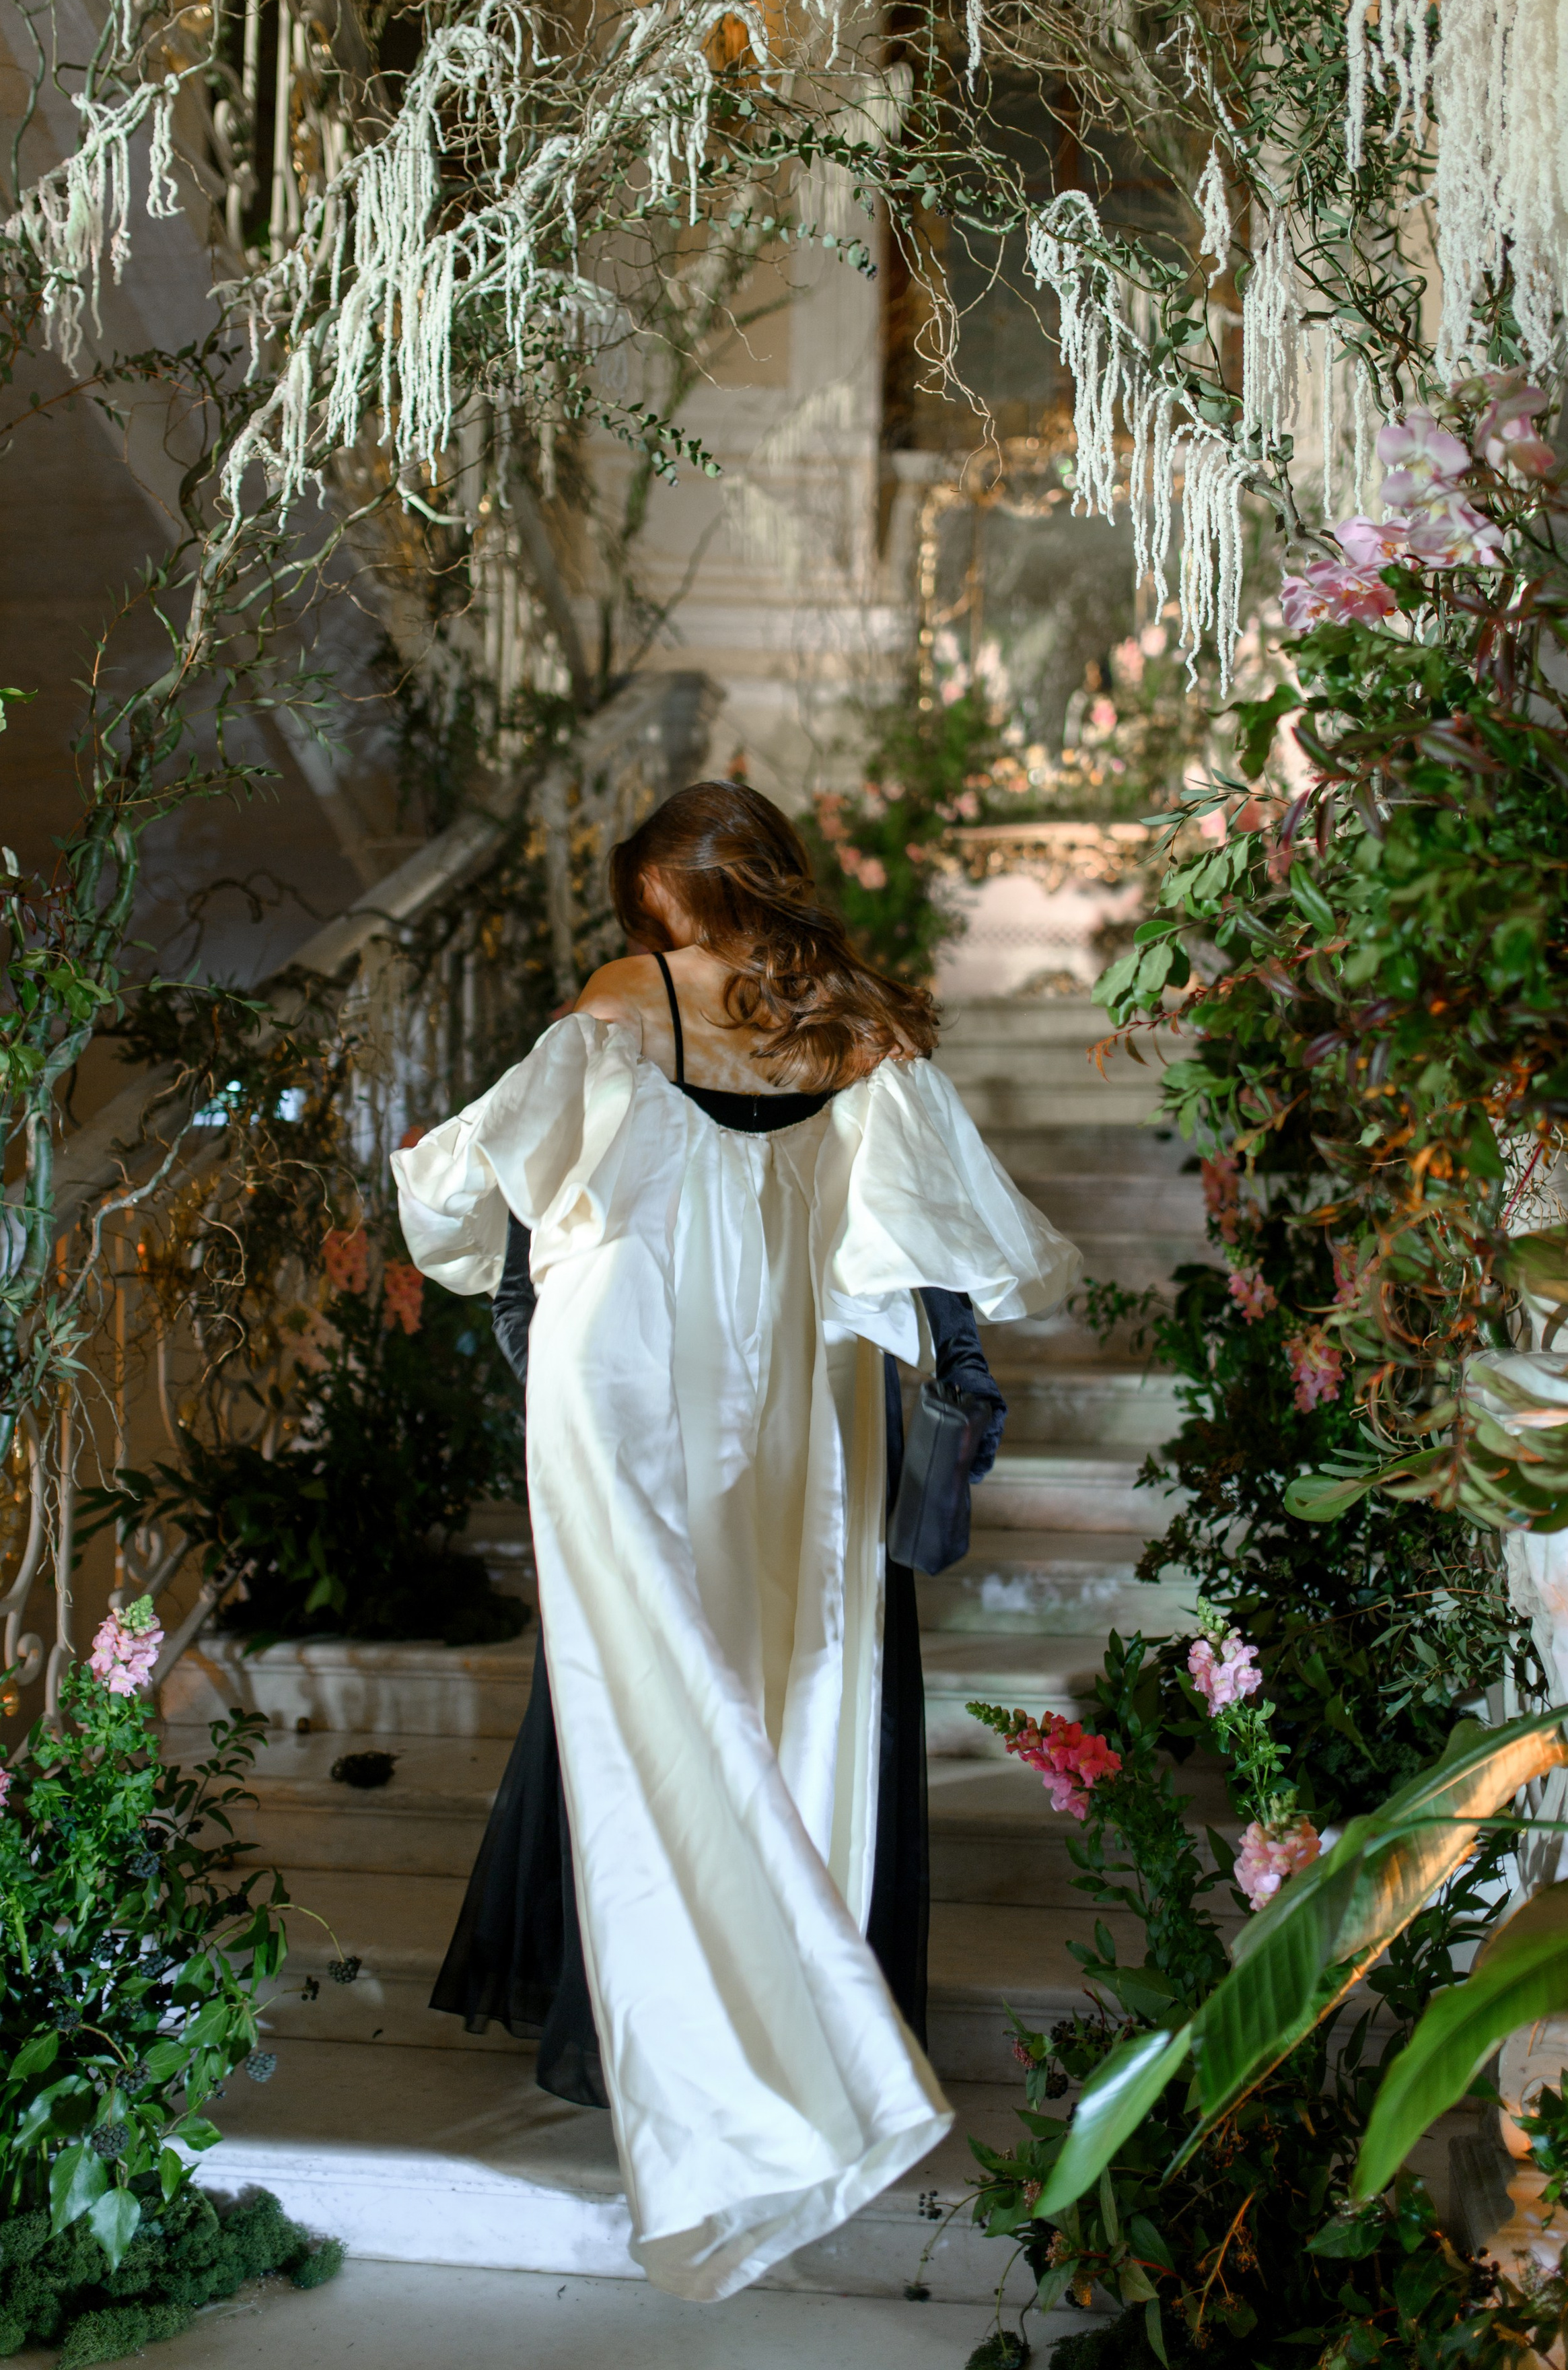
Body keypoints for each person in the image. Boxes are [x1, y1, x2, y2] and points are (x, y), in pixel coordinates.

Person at [392, 781, 1079, 2301]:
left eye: (667, 905)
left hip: (635, 1385)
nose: (662, 932)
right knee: (790, 1668)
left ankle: (722, 2008)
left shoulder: (627, 1003)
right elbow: (952, 1243)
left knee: (659, 1682)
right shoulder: (854, 1029)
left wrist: (459, 1214)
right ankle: (804, 1989)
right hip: (796, 1395)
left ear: (691, 899)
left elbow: (479, 1184)